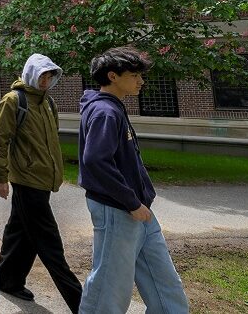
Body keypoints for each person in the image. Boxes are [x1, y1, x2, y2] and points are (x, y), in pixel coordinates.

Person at [78, 47, 189, 313]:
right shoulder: (106, 112)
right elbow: (96, 161)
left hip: (139, 211)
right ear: (113, 76)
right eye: (135, 75)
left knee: (166, 287)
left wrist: (139, 203)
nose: (141, 81)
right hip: (119, 210)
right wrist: (130, 202)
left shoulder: (113, 108)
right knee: (109, 290)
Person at [0, 53, 82, 312]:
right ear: (31, 73)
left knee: (21, 233)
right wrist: (0, 177)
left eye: (50, 75)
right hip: (26, 180)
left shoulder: (48, 103)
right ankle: (81, 303)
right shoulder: (13, 100)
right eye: (42, 75)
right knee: (50, 244)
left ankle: (7, 279)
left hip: (44, 179)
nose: (46, 80)